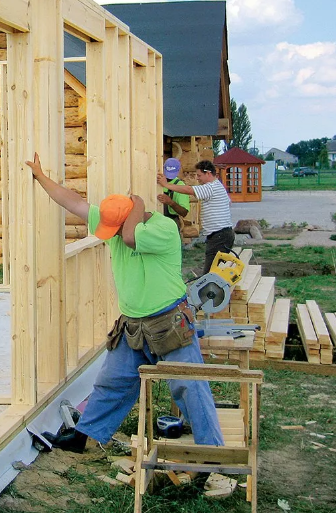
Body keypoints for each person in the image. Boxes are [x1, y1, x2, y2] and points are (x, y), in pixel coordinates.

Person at [25, 152, 223, 453]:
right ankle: (84, 436)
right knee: (111, 383)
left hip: (169, 323)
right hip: (133, 325)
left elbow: (130, 237)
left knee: (189, 387)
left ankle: (213, 453)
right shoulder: (118, 224)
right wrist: (41, 177)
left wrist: (140, 203)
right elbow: (73, 202)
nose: (111, 236)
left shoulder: (164, 230)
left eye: (114, 229)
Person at [157, 159, 234, 275]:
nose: (197, 178)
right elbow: (228, 202)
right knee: (215, 272)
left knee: (210, 274)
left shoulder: (211, 187)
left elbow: (189, 190)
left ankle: (209, 293)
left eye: (199, 175)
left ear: (208, 173)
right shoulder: (218, 186)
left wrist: (166, 185)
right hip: (221, 235)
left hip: (219, 236)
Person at [157, 157, 190, 232]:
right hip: (155, 223)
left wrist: (170, 202)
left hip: (171, 223)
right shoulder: (156, 181)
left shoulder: (180, 186)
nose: (168, 177)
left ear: (178, 171)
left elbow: (184, 212)